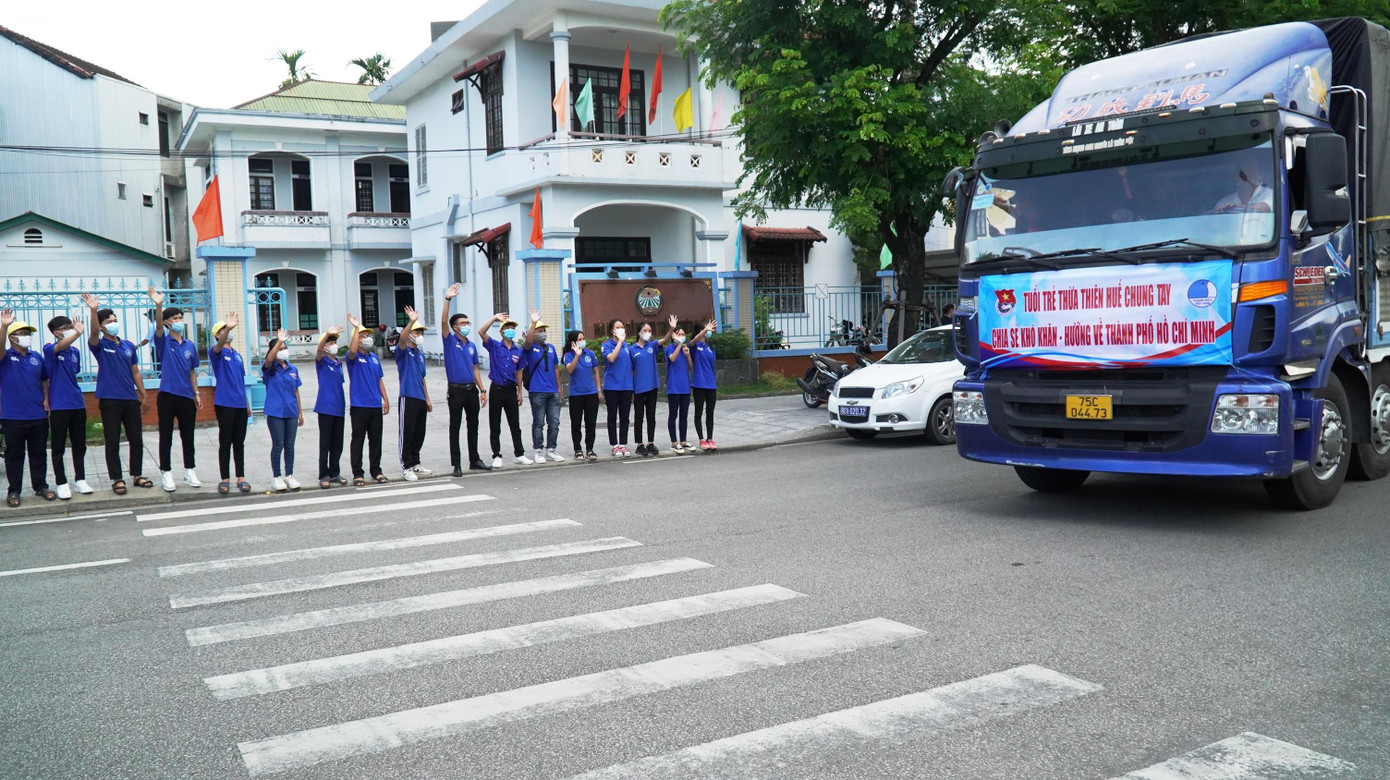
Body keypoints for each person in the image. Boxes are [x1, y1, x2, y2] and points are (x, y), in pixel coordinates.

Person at [82, 292, 151, 494]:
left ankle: (137, 475)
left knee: (136, 439)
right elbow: (93, 334)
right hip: (110, 399)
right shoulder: (100, 345)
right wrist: (93, 311)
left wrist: (144, 394)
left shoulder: (128, 345)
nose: (114, 323)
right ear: (102, 326)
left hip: (130, 398)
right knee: (112, 440)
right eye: (109, 321)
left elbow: (135, 371)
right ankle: (117, 478)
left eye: (115, 320)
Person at [147, 287, 202, 491]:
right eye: (175, 318)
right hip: (168, 396)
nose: (179, 320)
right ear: (168, 321)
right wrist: (159, 305)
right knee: (166, 435)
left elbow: (192, 371)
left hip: (187, 396)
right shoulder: (163, 340)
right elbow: (159, 328)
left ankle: (190, 470)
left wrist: (196, 393)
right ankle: (167, 473)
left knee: (188, 436)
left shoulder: (189, 345)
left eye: (181, 317)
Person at [0, 311, 54, 507]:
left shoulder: (36, 357)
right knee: (14, 455)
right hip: (12, 416)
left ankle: (40, 486)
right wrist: (4, 325)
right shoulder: (5, 357)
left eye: (28, 333)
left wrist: (46, 399)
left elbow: (44, 380)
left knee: (38, 453)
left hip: (37, 414)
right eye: (22, 333)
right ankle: (14, 490)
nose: (26, 336)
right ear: (12, 338)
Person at [440, 283, 490, 476]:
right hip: (456, 390)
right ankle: (457, 463)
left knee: (473, 425)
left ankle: (474, 459)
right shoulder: (449, 341)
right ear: (455, 327)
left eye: (468, 323)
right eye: (463, 323)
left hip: (471, 390)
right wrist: (448, 299)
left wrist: (482, 389)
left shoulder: (470, 345)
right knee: (455, 426)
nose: (466, 326)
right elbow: (443, 321)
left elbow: (475, 368)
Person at [44, 314, 93, 499]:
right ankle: (61, 482)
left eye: (71, 327)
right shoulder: (50, 349)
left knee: (79, 444)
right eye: (67, 327)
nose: (71, 329)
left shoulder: (75, 352)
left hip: (77, 403)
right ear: (57, 332)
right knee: (58, 446)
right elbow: (59, 347)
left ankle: (80, 479)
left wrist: (75, 335)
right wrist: (78, 334)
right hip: (59, 405)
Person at [479, 312, 530, 467]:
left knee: (515, 423)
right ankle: (496, 455)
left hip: (510, 389)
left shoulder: (518, 350)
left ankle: (519, 454)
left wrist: (520, 392)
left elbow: (519, 372)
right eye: (507, 328)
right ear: (501, 332)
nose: (510, 330)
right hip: (497, 388)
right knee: (495, 423)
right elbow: (481, 332)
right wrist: (494, 318)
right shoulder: (495, 346)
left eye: (512, 328)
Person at [208, 313, 251, 495]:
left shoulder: (237, 355)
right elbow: (220, 343)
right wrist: (229, 327)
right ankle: (224, 478)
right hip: (225, 403)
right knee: (225, 441)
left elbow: (241, 380)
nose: (228, 333)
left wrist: (247, 404)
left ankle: (241, 477)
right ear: (218, 334)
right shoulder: (216, 352)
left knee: (239, 442)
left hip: (240, 404)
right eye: (223, 330)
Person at [346, 313, 391, 485]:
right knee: (358, 439)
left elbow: (379, 379)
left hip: (374, 405)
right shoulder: (353, 358)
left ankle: (376, 470)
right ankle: (357, 472)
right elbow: (351, 351)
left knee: (376, 439)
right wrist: (356, 328)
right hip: (359, 405)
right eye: (363, 336)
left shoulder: (373, 358)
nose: (367, 339)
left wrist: (385, 399)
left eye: (367, 336)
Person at [262, 329, 304, 491]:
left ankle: (290, 475)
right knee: (278, 445)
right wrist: (278, 341)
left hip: (291, 412)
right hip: (275, 412)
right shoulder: (270, 368)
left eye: (284, 347)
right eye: (280, 348)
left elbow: (296, 391)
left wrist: (300, 412)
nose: (283, 350)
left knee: (290, 445)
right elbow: (269, 359)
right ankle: (277, 476)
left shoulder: (293, 369)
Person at [521, 312, 565, 464]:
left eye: (543, 330)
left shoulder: (551, 348)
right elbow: (526, 342)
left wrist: (559, 388)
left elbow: (556, 368)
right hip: (537, 390)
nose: (542, 333)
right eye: (539, 331)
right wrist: (533, 323)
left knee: (554, 422)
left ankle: (551, 449)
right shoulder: (529, 347)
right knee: (539, 422)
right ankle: (538, 450)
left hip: (552, 391)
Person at [395, 307, 433, 481]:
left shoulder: (420, 354)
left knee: (419, 431)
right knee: (407, 431)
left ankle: (416, 462)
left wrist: (427, 398)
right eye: (416, 332)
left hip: (419, 397)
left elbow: (422, 377)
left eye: (420, 332)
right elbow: (402, 339)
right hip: (407, 396)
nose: (419, 335)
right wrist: (411, 321)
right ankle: (406, 465)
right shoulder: (403, 351)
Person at [630, 315, 677, 457]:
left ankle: (650, 442)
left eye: (649, 330)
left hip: (652, 386)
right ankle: (639, 444)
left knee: (651, 416)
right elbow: (631, 370)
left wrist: (672, 328)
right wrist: (631, 390)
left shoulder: (652, 346)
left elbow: (665, 339)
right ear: (639, 332)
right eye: (645, 330)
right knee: (639, 417)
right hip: (638, 388)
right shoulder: (632, 349)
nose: (648, 332)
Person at [314, 325, 347, 489]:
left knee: (337, 442)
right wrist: (326, 334)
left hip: (339, 406)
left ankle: (335, 471)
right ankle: (323, 474)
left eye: (334, 341)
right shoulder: (322, 361)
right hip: (325, 406)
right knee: (325, 443)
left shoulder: (338, 362)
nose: (333, 344)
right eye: (330, 342)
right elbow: (318, 350)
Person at [563, 329, 603, 461]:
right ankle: (577, 449)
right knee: (576, 423)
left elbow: (596, 372)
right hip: (576, 394)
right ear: (573, 342)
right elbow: (569, 369)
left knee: (590, 422)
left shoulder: (590, 354)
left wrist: (598, 390)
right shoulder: (568, 355)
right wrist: (577, 355)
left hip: (591, 393)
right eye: (579, 339)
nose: (582, 341)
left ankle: (590, 448)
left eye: (583, 339)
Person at [601, 319, 634, 457]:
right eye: (617, 327)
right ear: (612, 330)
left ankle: (623, 444)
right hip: (612, 386)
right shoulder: (606, 345)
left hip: (626, 385)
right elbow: (612, 358)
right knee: (612, 416)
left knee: (625, 416)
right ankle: (615, 445)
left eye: (622, 326)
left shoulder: (627, 346)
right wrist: (619, 342)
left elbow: (631, 367)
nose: (621, 329)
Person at [691, 318, 720, 451]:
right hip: (698, 384)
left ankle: (710, 438)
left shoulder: (711, 347)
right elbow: (692, 342)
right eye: (705, 329)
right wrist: (703, 331)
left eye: (709, 329)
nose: (709, 331)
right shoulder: (695, 346)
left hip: (711, 384)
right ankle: (701, 439)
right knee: (699, 412)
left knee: (710, 412)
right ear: (700, 331)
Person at [665, 324, 693, 454]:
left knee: (684, 415)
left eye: (683, 335)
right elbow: (672, 358)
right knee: (673, 414)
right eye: (679, 334)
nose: (682, 337)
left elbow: (691, 367)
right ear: (673, 336)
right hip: (673, 387)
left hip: (685, 387)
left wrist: (687, 355)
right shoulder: (669, 348)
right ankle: (674, 442)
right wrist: (679, 346)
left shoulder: (685, 349)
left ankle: (683, 441)